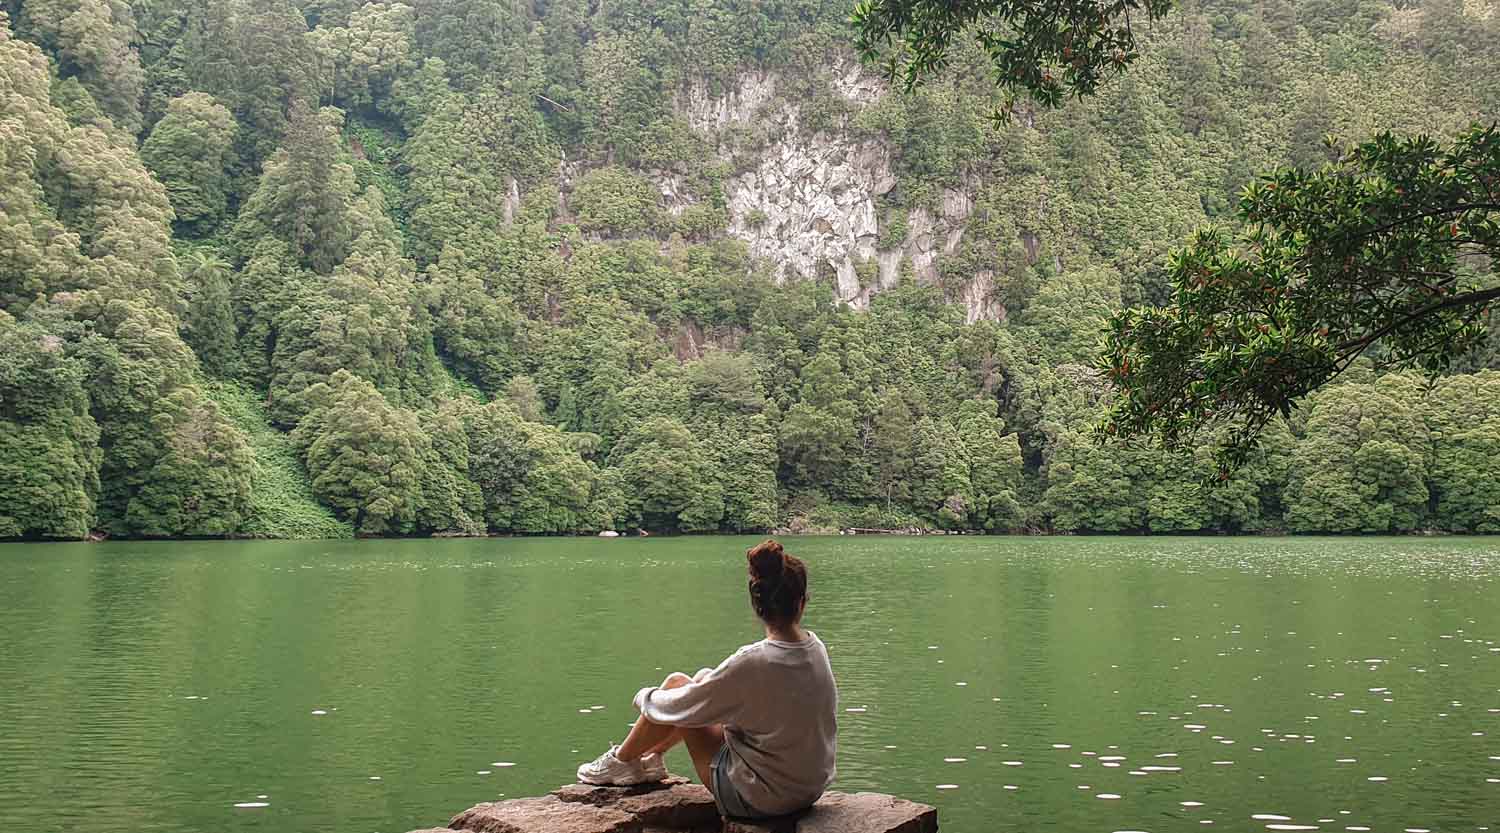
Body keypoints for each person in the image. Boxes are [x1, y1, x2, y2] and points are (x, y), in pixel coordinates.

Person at [576, 539, 838, 820]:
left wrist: (644, 697)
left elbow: (680, 706)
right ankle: (651, 760)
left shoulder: (754, 660)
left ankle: (621, 761)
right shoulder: (815, 647)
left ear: (756, 603)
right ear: (801, 601)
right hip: (808, 789)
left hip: (760, 798)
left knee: (678, 686)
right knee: (702, 678)